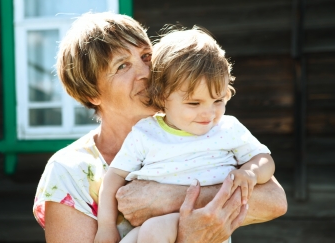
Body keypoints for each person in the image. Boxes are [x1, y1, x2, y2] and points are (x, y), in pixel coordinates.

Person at [32, 12, 287, 243]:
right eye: (122, 66)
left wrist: (172, 197)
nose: (146, 71)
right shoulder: (70, 171)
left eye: (146, 56)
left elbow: (274, 201)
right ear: (92, 93)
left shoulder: (202, 127)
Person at [95, 28, 275, 243]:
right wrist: (105, 226)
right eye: (194, 103)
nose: (208, 113)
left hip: (205, 225)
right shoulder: (147, 132)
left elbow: (264, 159)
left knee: (154, 230)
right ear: (162, 96)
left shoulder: (228, 129)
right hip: (149, 225)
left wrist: (251, 173)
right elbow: (114, 176)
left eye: (218, 100)